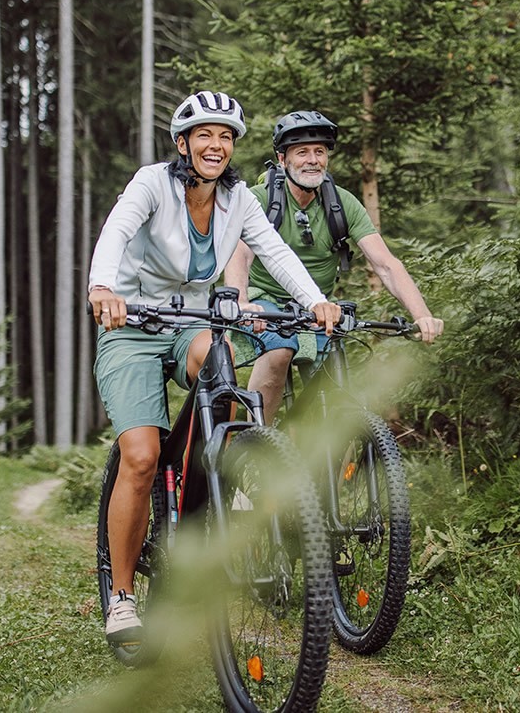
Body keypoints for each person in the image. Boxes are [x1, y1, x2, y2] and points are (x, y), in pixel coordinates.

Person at [87, 90, 341, 647]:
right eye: (204, 134)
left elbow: (276, 253)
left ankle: (203, 488)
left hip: (189, 324)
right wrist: (102, 286)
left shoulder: (238, 200)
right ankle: (123, 599)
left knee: (220, 370)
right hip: (130, 325)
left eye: (226, 136)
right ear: (183, 143)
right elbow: (116, 232)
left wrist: (315, 299)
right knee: (141, 456)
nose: (216, 144)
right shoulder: (152, 184)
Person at [223, 110, 444, 422]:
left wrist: (421, 315)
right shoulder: (258, 199)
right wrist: (241, 301)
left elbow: (386, 265)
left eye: (320, 152)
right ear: (283, 159)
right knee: (279, 352)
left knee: (335, 383)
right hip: (266, 300)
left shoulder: (342, 203)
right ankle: (254, 444)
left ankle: (324, 463)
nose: (313, 160)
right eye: (302, 152)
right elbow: (240, 254)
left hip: (318, 307)